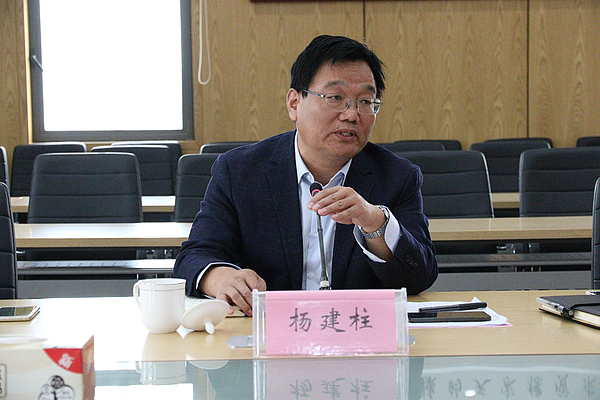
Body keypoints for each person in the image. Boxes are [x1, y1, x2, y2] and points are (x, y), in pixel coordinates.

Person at [174, 35, 437, 315]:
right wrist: (222, 278)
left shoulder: (397, 177)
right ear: (294, 103)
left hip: (356, 333)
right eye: (335, 98)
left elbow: (419, 276)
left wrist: (375, 224)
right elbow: (195, 256)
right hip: (267, 331)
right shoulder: (239, 171)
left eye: (365, 101)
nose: (352, 115)